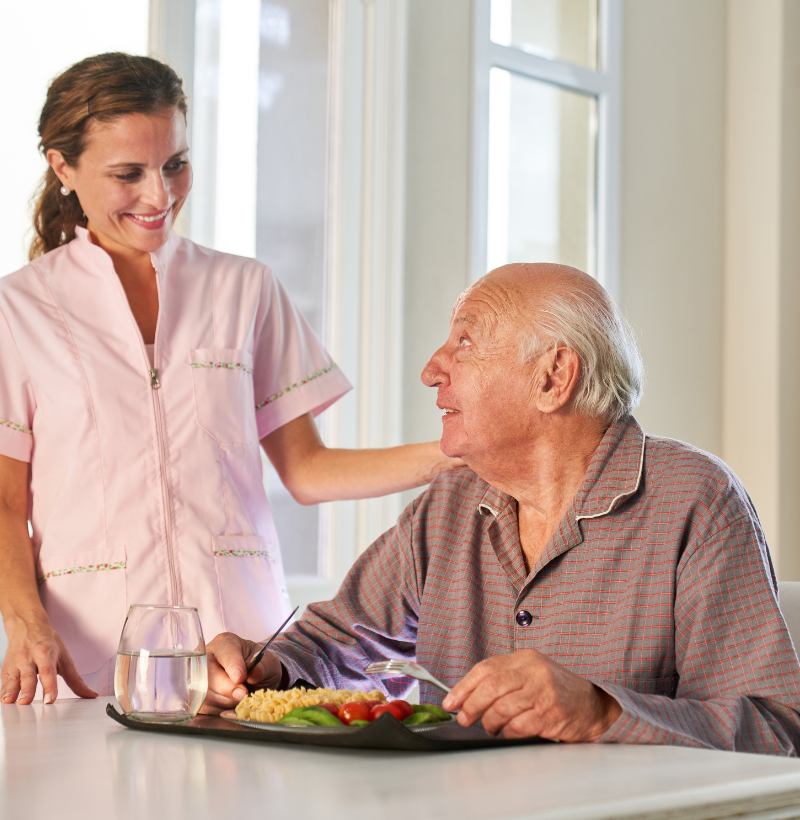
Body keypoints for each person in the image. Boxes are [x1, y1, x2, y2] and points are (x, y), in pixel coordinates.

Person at [0, 53, 458, 705]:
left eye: (175, 164)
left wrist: (456, 455)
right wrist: (26, 626)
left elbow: (307, 469)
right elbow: (4, 504)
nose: (160, 196)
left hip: (242, 652)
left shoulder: (244, 289)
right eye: (128, 174)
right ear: (62, 168)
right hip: (89, 659)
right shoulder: (17, 311)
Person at [203, 262, 800, 755]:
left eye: (465, 341)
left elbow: (779, 731)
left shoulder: (696, 500)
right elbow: (333, 644)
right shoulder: (450, 506)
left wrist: (600, 712)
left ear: (553, 377)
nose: (431, 369)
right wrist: (264, 670)